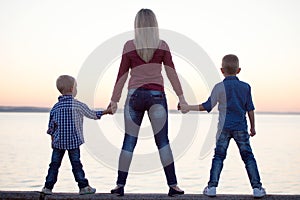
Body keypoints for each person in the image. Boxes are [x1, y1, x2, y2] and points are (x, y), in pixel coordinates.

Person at [107, 9, 188, 197]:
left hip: (134, 96)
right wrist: (181, 97)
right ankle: (173, 186)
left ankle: (119, 186)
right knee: (163, 142)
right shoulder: (162, 45)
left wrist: (114, 100)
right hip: (157, 96)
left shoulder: (129, 45)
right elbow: (171, 72)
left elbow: (122, 74)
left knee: (129, 142)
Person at [179, 54, 266, 198]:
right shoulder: (245, 87)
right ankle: (257, 188)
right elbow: (250, 108)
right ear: (238, 70)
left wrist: (188, 107)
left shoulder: (219, 87)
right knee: (248, 157)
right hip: (240, 128)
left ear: (222, 70)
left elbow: (207, 106)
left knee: (218, 157)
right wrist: (253, 127)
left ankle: (212, 187)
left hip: (223, 129)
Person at [41, 75, 109, 195]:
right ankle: (83, 187)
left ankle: (47, 188)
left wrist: (52, 140)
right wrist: (106, 112)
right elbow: (92, 114)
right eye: (76, 87)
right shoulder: (77, 105)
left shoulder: (55, 107)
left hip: (58, 142)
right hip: (73, 141)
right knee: (76, 164)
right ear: (72, 89)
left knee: (54, 165)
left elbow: (51, 127)